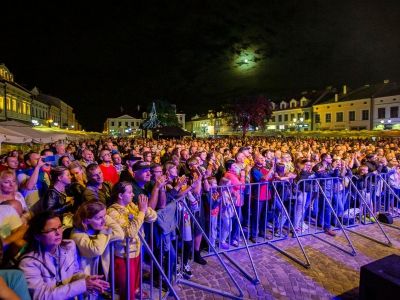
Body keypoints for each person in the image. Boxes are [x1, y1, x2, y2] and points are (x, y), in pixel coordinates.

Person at [19, 211, 109, 300]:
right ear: (37, 236)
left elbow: (74, 272)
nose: (58, 233)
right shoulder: (28, 263)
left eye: (59, 227)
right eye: (52, 230)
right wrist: (82, 284)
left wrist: (87, 279)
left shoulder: (70, 246)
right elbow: (42, 296)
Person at [107, 182, 157, 300]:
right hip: (123, 255)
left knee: (135, 280)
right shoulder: (112, 212)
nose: (133, 194)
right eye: (129, 192)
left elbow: (153, 217)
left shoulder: (130, 205)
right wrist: (142, 212)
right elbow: (130, 233)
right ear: (120, 195)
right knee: (127, 287)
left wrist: (144, 210)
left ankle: (136, 292)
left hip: (136, 250)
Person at [71, 201, 124, 299]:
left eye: (105, 216)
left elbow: (120, 234)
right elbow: (96, 249)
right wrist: (103, 231)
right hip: (85, 279)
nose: (103, 221)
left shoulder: (97, 229)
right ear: (86, 221)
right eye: (99, 218)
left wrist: (104, 216)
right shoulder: (77, 234)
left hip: (99, 275)